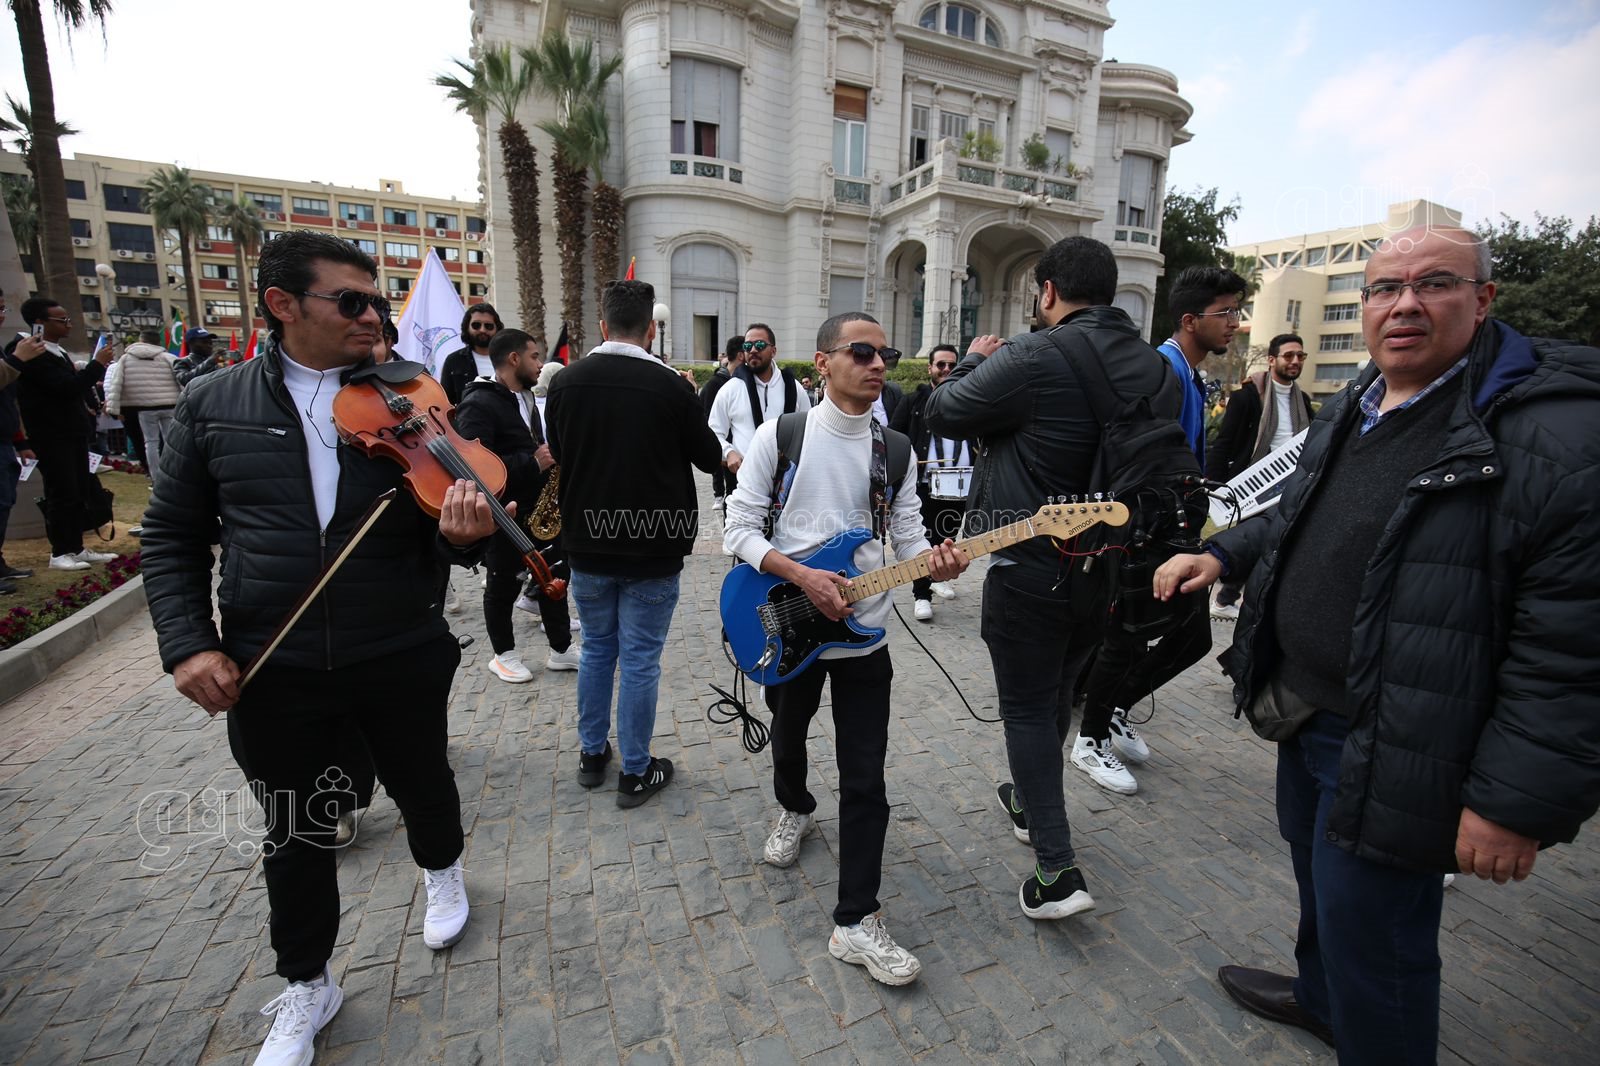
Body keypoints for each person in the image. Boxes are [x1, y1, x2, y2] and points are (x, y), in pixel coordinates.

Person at [1153, 227, 1600, 1063]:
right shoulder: (1364, 398)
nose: (1404, 305)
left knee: (1380, 941)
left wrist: (1513, 804)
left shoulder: (1552, 435)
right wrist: (1223, 553)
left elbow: (1570, 646)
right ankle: (1322, 999)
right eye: (1385, 288)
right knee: (1323, 891)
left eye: (1434, 284)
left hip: (1407, 738)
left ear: (1484, 299)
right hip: (1306, 711)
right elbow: (1302, 511)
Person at [140, 231, 498, 1066]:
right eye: (352, 301)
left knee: (423, 780)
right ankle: (307, 982)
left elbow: (444, 532)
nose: (374, 316)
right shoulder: (214, 403)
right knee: (293, 829)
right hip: (277, 659)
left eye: (378, 300)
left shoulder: (407, 395)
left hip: (398, 643)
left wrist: (465, 536)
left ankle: (442, 868)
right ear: (282, 304)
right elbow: (170, 535)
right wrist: (188, 643)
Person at [924, 235, 1181, 918]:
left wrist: (971, 362)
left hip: (1032, 567)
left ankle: (1057, 870)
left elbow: (942, 412)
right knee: (1061, 690)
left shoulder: (1033, 355)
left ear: (1047, 291)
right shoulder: (1159, 369)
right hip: (1110, 568)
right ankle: (1027, 798)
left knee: (1028, 711)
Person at [726, 310, 968, 986]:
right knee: (788, 737)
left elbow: (909, 537)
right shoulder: (783, 435)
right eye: (861, 351)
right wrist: (802, 575)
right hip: (786, 623)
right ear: (823, 361)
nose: (877, 363)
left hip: (865, 637)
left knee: (866, 779)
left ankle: (856, 920)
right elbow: (737, 528)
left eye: (884, 352)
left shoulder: (897, 449)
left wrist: (937, 561)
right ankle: (795, 807)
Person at [1064, 265, 1251, 796]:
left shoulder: (1186, 374)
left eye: (1237, 311)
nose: (1235, 322)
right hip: (1144, 530)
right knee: (1126, 636)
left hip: (1174, 526)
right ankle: (1090, 739)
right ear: (1190, 320)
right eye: (1225, 312)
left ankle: (1115, 710)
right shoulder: (1163, 370)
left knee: (1190, 636)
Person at [545, 280, 722, 807]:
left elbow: (558, 451)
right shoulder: (670, 386)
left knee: (598, 650)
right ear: (650, 330)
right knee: (641, 659)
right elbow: (708, 456)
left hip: (588, 542)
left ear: (603, 325)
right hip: (653, 546)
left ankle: (592, 754)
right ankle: (637, 771)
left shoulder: (565, 382)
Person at [453, 327, 579, 681]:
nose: (540, 364)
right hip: (504, 512)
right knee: (502, 584)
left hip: (538, 508)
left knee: (554, 576)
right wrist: (532, 463)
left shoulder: (525, 397)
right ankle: (503, 655)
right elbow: (471, 465)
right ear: (513, 359)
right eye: (534, 356)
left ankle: (561, 649)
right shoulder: (479, 402)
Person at [1204, 332, 1315, 620]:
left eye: (1300, 356)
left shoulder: (1303, 400)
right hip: (1255, 484)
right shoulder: (1246, 397)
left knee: (1282, 544)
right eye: (1288, 355)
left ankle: (1248, 601)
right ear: (1272, 360)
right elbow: (1224, 442)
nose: (1295, 361)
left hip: (1293, 484)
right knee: (1255, 542)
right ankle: (1228, 598)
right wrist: (1216, 486)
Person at [4, 298, 116, 572]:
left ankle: (75, 547)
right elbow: (66, 388)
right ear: (39, 323)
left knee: (77, 491)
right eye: (62, 320)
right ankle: (61, 552)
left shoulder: (55, 351)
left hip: (72, 431)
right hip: (50, 433)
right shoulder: (29, 351)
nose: (69, 324)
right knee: (61, 492)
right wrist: (97, 365)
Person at [890, 341, 996, 621]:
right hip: (924, 484)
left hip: (960, 485)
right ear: (930, 368)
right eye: (941, 364)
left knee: (946, 537)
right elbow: (895, 436)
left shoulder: (970, 402)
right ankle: (921, 595)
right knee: (922, 539)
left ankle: (937, 579)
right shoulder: (914, 401)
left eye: (952, 364)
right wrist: (908, 458)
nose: (946, 369)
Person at [708, 324, 810, 483]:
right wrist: (729, 452)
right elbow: (713, 431)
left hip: (786, 482)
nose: (753, 350)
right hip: (745, 481)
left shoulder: (794, 388)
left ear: (773, 351)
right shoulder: (730, 389)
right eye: (748, 346)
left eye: (760, 345)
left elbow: (808, 429)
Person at [0, 287, 42, 591]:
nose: (2, 315)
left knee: (4, 503)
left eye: (3, 308)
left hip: (4, 441)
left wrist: (20, 442)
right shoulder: (11, 355)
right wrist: (16, 360)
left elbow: (7, 399)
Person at [105, 330, 182, 489]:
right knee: (172, 441)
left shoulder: (125, 359)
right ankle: (175, 474)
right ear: (158, 342)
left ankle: (156, 478)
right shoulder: (168, 358)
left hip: (142, 407)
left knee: (151, 442)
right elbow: (181, 380)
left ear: (141, 341)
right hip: (169, 404)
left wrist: (114, 408)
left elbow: (116, 383)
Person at [699, 335, 744, 513]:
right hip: (726, 451)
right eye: (749, 349)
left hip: (740, 452)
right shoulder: (716, 384)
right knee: (732, 496)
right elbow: (708, 421)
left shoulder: (743, 383)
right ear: (741, 355)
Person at [438, 302, 502, 405]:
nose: (482, 330)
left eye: (488, 326)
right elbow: (446, 402)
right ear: (467, 328)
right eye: (476, 325)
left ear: (497, 329)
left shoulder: (509, 359)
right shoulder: (454, 361)